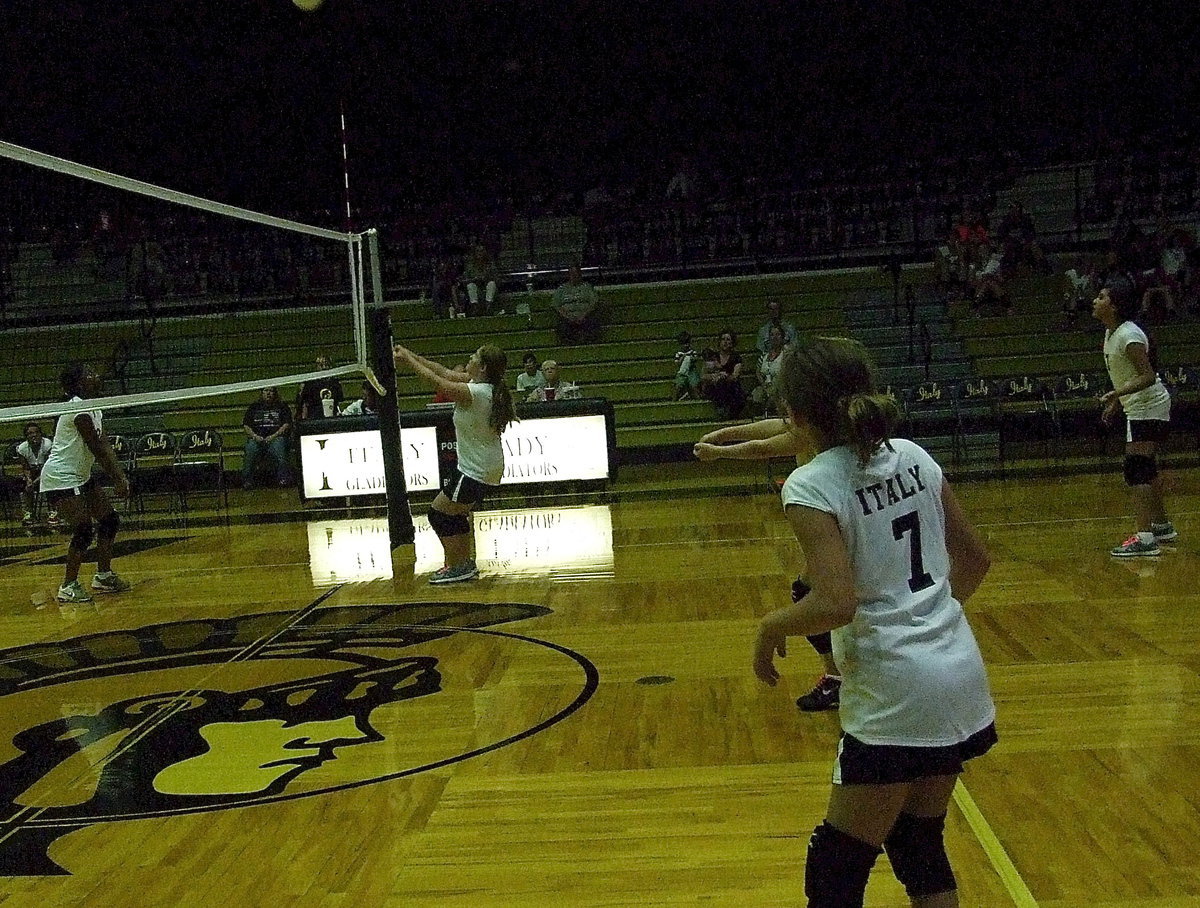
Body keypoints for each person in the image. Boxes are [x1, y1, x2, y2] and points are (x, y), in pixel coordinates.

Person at [751, 336, 995, 906]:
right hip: (959, 674)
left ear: (795, 412)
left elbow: (835, 601)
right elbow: (977, 560)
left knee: (836, 870)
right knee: (918, 846)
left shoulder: (811, 484)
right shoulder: (915, 456)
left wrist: (769, 628)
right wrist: (927, 621)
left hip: (894, 692)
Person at [694, 418, 842, 712]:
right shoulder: (814, 421)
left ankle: (838, 677)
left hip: (837, 517)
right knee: (816, 593)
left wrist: (719, 452)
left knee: (813, 595)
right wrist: (723, 434)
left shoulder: (816, 429)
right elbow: (773, 427)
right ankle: (841, 673)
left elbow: (763, 448)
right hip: (835, 514)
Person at [392, 343, 516, 584]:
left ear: (482, 367)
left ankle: (457, 566)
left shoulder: (476, 393)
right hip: (482, 468)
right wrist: (411, 354)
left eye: (473, 357)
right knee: (455, 515)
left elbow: (437, 382)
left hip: (476, 470)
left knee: (438, 515)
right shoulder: (481, 385)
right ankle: (463, 564)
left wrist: (408, 360)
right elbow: (442, 371)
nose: (468, 359)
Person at [1094, 277, 1177, 556]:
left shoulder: (1129, 336)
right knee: (1146, 468)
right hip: (1140, 407)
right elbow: (1129, 375)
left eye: (1102, 297)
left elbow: (1147, 375)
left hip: (1149, 406)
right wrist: (1118, 402)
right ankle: (1162, 526)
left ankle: (1145, 539)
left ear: (1115, 306)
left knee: (1136, 469)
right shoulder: (1111, 333)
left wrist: (1115, 394)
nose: (1095, 301)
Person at [40, 363, 132, 604]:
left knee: (109, 520)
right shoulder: (77, 410)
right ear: (80, 383)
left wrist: (121, 476)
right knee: (83, 528)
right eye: (90, 374)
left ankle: (103, 575)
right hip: (60, 476)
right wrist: (118, 479)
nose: (97, 376)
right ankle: (68, 586)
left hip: (80, 474)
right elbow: (96, 448)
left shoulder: (94, 409)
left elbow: (106, 445)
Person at [242, 387, 293, 489]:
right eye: (266, 391)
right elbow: (246, 425)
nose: (268, 393)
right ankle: (247, 480)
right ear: (261, 393)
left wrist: (273, 436)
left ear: (275, 393)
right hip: (257, 438)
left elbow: (286, 424)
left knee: (280, 445)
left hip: (276, 438)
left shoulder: (282, 406)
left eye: (271, 391)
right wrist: (255, 436)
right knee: (250, 448)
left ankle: (283, 478)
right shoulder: (254, 407)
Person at [15, 421, 60, 527]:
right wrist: (29, 480)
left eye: (36, 432)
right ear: (26, 437)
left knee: (50, 482)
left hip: (48, 471)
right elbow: (25, 467)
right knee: (24, 485)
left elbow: (48, 467)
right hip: (32, 472)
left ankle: (53, 511)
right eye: (30, 433)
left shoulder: (48, 445)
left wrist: (34, 482)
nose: (34, 435)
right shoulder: (22, 449)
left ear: (41, 434)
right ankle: (29, 513)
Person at [700, 330, 745, 419]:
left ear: (732, 343)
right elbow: (703, 375)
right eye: (723, 339)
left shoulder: (736, 358)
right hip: (714, 386)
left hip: (730, 385)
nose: (725, 342)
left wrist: (724, 376)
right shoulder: (713, 356)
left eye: (728, 339)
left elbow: (735, 376)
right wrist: (714, 376)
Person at [553, 264, 600, 344]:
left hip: (585, 317)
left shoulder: (587, 288)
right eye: (572, 274)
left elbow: (594, 303)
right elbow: (556, 305)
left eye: (576, 273)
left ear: (580, 274)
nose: (574, 276)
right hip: (567, 319)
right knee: (562, 327)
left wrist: (583, 315)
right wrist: (568, 317)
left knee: (593, 324)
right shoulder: (561, 289)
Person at [750, 324, 788, 415]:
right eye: (772, 335)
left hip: (780, 387)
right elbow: (758, 371)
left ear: (782, 337)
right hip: (765, 386)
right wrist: (763, 384)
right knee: (757, 394)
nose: (774, 337)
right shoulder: (764, 355)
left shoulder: (786, 354)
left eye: (777, 334)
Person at [296, 355, 344, 420]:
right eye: (321, 365)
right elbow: (305, 404)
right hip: (314, 419)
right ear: (316, 367)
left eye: (326, 365)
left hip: (332, 418)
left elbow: (339, 402)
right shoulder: (310, 383)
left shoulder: (335, 383)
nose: (324, 367)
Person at [463, 244, 500, 316]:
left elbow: (497, 278)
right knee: (471, 285)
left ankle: (488, 307)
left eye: (481, 251)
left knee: (491, 284)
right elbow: (465, 280)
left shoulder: (490, 264)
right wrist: (474, 279)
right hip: (476, 287)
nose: (480, 253)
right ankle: (475, 307)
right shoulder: (470, 266)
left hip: (487, 286)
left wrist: (487, 278)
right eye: (477, 251)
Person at [672, 331, 702, 401]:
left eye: (687, 343)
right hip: (682, 372)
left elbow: (695, 359)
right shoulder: (679, 354)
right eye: (684, 344)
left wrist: (691, 359)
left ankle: (697, 398)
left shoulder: (692, 352)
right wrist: (683, 358)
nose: (686, 345)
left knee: (694, 384)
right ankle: (674, 400)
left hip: (691, 371)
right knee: (678, 385)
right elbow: (677, 363)